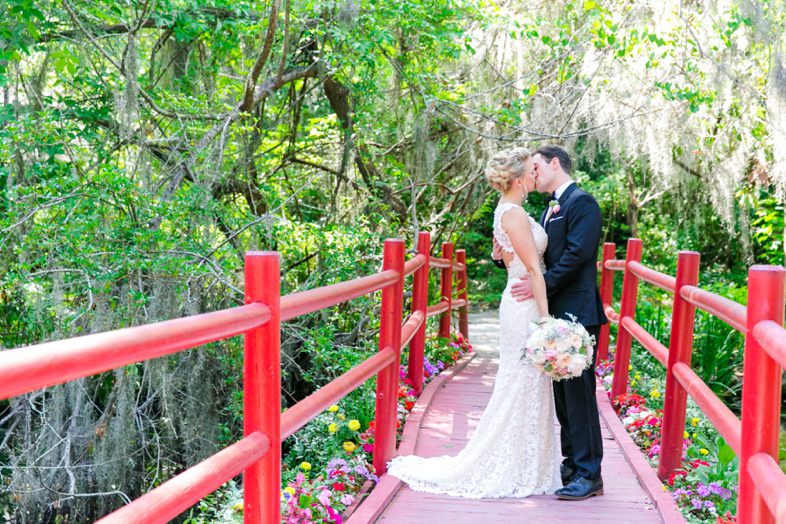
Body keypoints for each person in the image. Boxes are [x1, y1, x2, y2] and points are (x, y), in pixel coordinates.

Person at [387, 147, 561, 498]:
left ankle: (531, 463)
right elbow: (531, 269)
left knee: (528, 381)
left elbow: (513, 258)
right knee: (522, 380)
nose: (535, 175)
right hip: (525, 304)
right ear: (517, 180)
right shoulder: (512, 213)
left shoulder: (511, 212)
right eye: (530, 170)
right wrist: (546, 321)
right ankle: (510, 464)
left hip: (519, 298)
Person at [494, 144, 607, 501]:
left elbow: (577, 255)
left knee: (580, 394)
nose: (533, 173)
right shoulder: (546, 209)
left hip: (577, 310)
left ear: (554, 163)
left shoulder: (582, 203)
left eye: (537, 166)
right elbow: (533, 255)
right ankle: (572, 464)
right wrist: (504, 260)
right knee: (561, 394)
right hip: (551, 309)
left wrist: (539, 282)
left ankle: (590, 474)